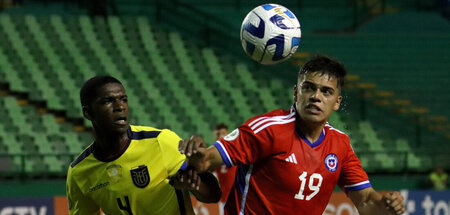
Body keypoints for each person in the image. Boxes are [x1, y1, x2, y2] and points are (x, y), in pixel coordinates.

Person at [179, 56, 405, 215]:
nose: (316, 96)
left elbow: (365, 201)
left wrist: (386, 206)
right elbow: (205, 161)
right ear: (297, 92)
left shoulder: (340, 144)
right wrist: (197, 153)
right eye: (309, 88)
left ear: (337, 102)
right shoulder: (268, 129)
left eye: (326, 91)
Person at [66, 76, 221, 215]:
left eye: (123, 99)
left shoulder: (160, 141)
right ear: (88, 113)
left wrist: (195, 185)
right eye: (108, 101)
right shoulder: (79, 172)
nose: (120, 106)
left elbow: (214, 194)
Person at [212, 123, 237, 215]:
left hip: (238, 195)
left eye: (224, 133)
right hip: (225, 198)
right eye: (220, 134)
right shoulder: (214, 153)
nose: (222, 136)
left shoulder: (236, 149)